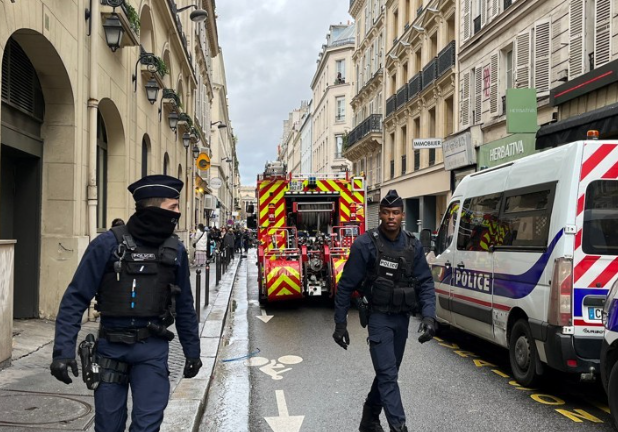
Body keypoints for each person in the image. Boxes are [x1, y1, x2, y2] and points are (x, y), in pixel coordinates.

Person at [50, 174, 202, 432]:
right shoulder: (107, 244)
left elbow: (185, 304)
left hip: (152, 349)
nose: (178, 214)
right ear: (153, 208)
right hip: (110, 348)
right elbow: (75, 298)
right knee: (108, 426)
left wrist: (193, 351)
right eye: (173, 207)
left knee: (147, 425)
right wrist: (62, 351)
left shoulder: (175, 250)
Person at [332, 189, 437, 432]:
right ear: (379, 214)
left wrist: (430, 316)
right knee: (388, 375)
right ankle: (399, 427)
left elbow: (425, 283)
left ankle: (369, 419)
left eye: (396, 213)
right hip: (378, 318)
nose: (391, 217)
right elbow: (346, 286)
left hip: (401, 319)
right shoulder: (365, 245)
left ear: (402, 215)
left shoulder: (413, 245)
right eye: (387, 212)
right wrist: (340, 324)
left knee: (387, 372)